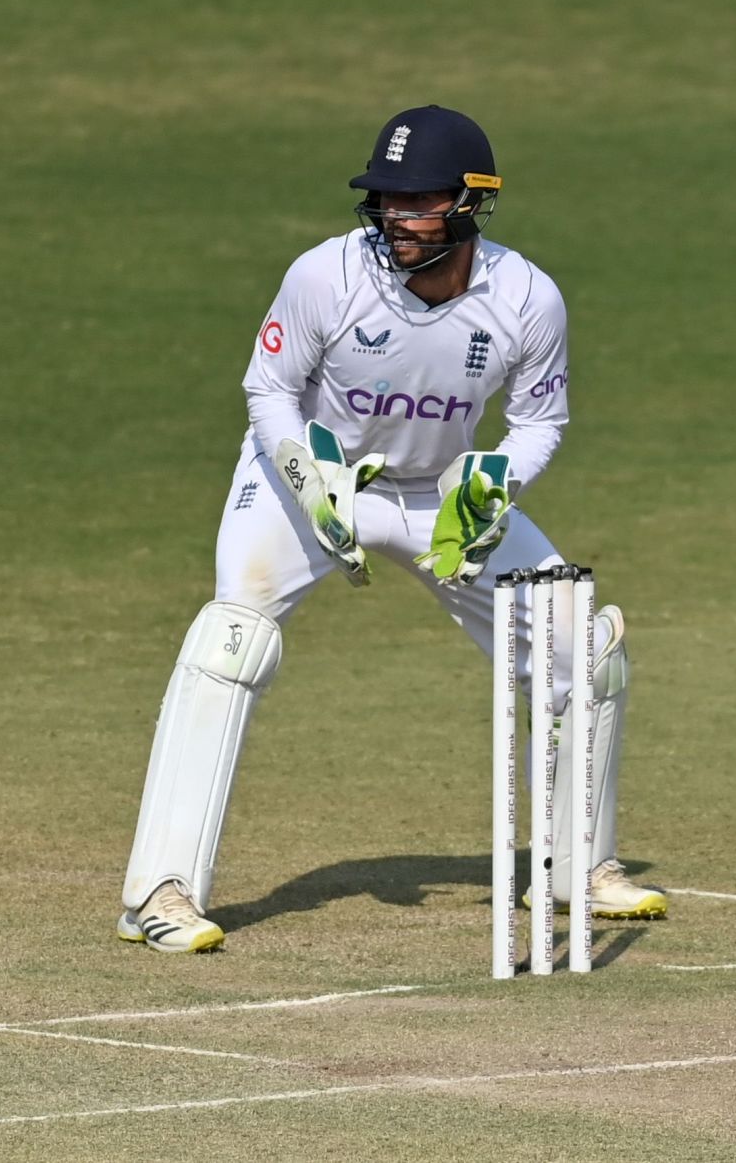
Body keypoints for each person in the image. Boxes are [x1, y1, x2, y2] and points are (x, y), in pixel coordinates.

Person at [118, 105, 666, 954]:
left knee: (583, 650)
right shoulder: (324, 277)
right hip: (307, 477)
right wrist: (307, 473)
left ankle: (577, 867)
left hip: (436, 493)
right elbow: (268, 390)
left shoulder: (526, 299)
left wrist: (494, 485)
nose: (396, 220)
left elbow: (538, 421)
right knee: (233, 640)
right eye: (386, 201)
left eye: (417, 203)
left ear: (469, 203)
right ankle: (158, 892)